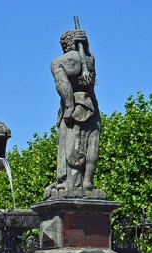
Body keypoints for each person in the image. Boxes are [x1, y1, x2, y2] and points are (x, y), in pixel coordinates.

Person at [45, 25, 102, 199]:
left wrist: (69, 108)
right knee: (92, 143)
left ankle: (70, 183)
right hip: (91, 105)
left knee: (70, 144)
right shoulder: (90, 60)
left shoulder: (59, 62)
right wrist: (86, 47)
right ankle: (87, 182)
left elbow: (63, 85)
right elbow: (90, 75)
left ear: (64, 45)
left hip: (75, 106)